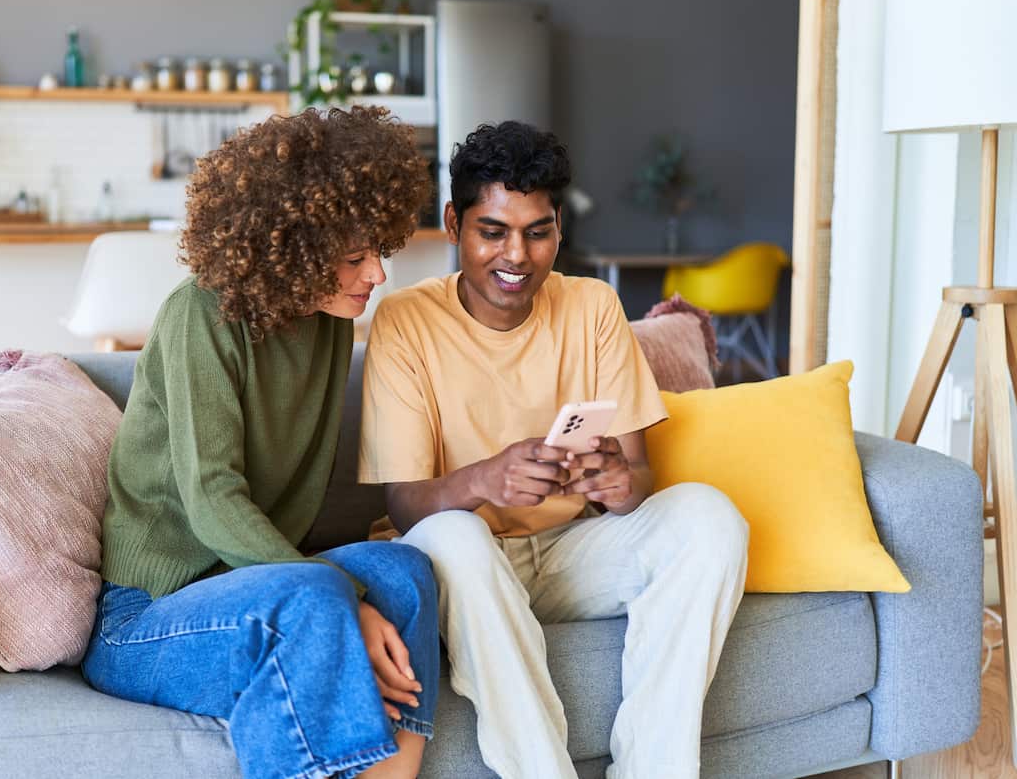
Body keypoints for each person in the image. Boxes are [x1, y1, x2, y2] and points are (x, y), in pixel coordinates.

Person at [358, 121, 749, 779]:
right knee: (453, 534)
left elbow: (638, 475)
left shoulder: (594, 306)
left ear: (559, 229)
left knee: (711, 517)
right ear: (454, 223)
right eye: (493, 231)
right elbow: (403, 502)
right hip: (464, 561)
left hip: (571, 554)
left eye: (538, 232)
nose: (517, 255)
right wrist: (487, 477)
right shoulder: (405, 320)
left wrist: (619, 483)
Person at [83, 106, 440, 779]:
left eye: (379, 252)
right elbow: (214, 500)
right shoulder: (201, 314)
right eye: (355, 257)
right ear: (293, 245)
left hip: (257, 589)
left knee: (407, 571)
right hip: (146, 618)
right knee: (319, 599)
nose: (376, 276)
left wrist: (349, 593)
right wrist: (344, 600)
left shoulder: (331, 322)